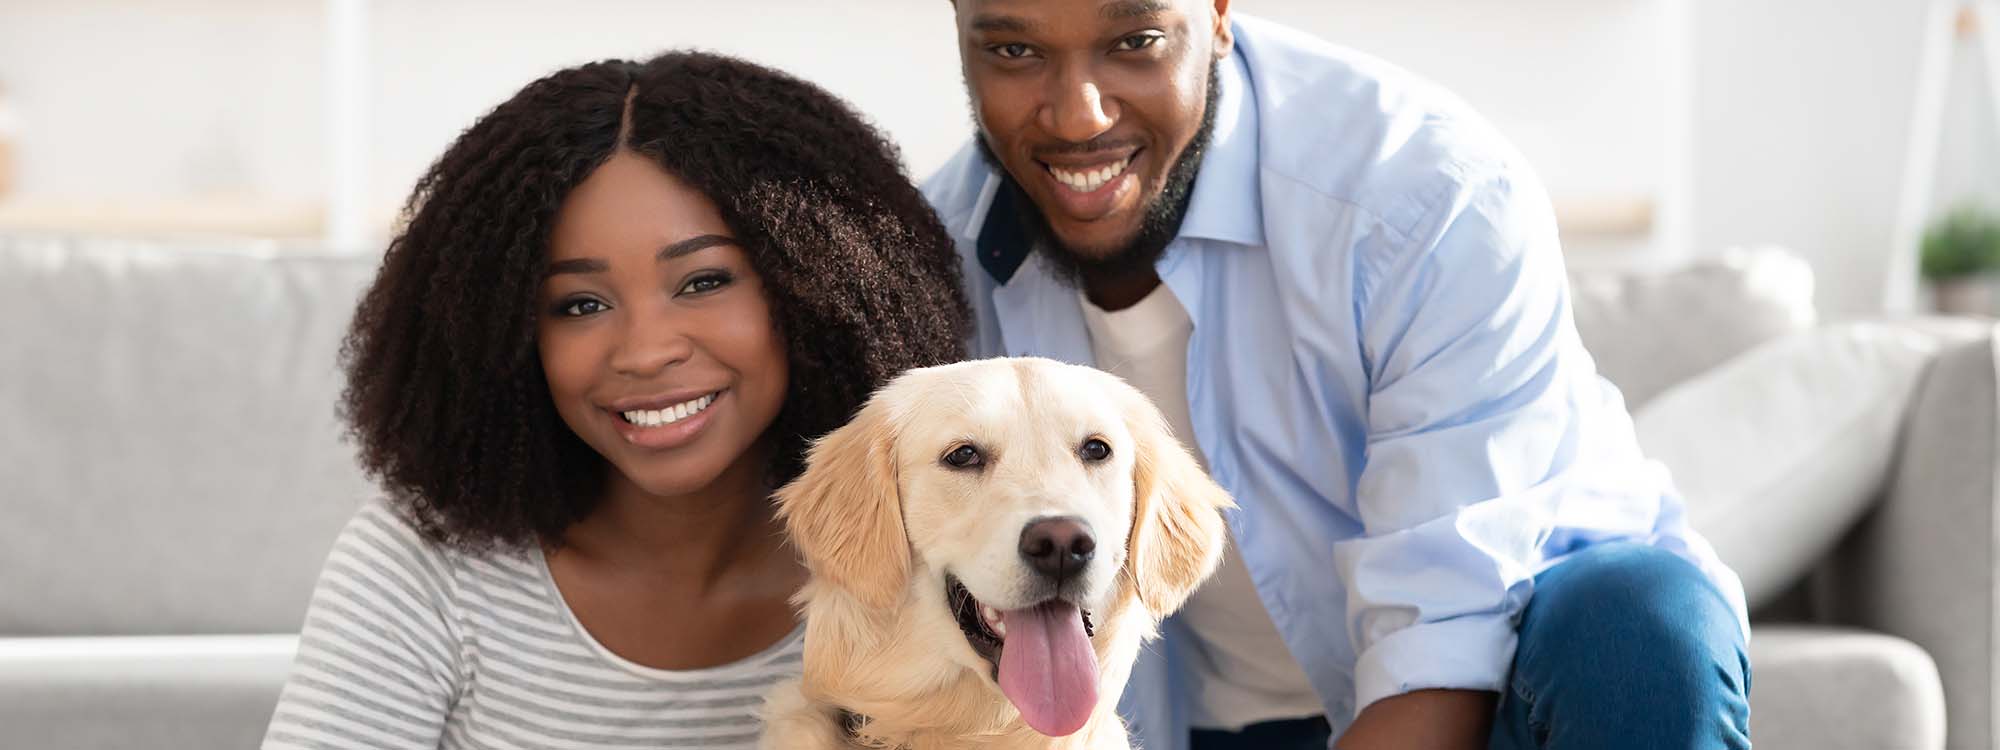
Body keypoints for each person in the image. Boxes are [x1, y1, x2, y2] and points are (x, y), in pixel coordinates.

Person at [921, 2, 1752, 749]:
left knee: (1646, 628)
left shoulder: (1427, 195)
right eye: (1016, 52)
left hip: (1512, 681)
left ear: (1215, 15)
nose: (1078, 115)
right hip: (1204, 723)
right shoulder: (929, 261)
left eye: (1135, 42)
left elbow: (1442, 650)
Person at [261, 51, 970, 749]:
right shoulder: (426, 566)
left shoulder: (941, 558)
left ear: (814, 286)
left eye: (702, 282)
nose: (643, 350)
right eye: (580, 304)